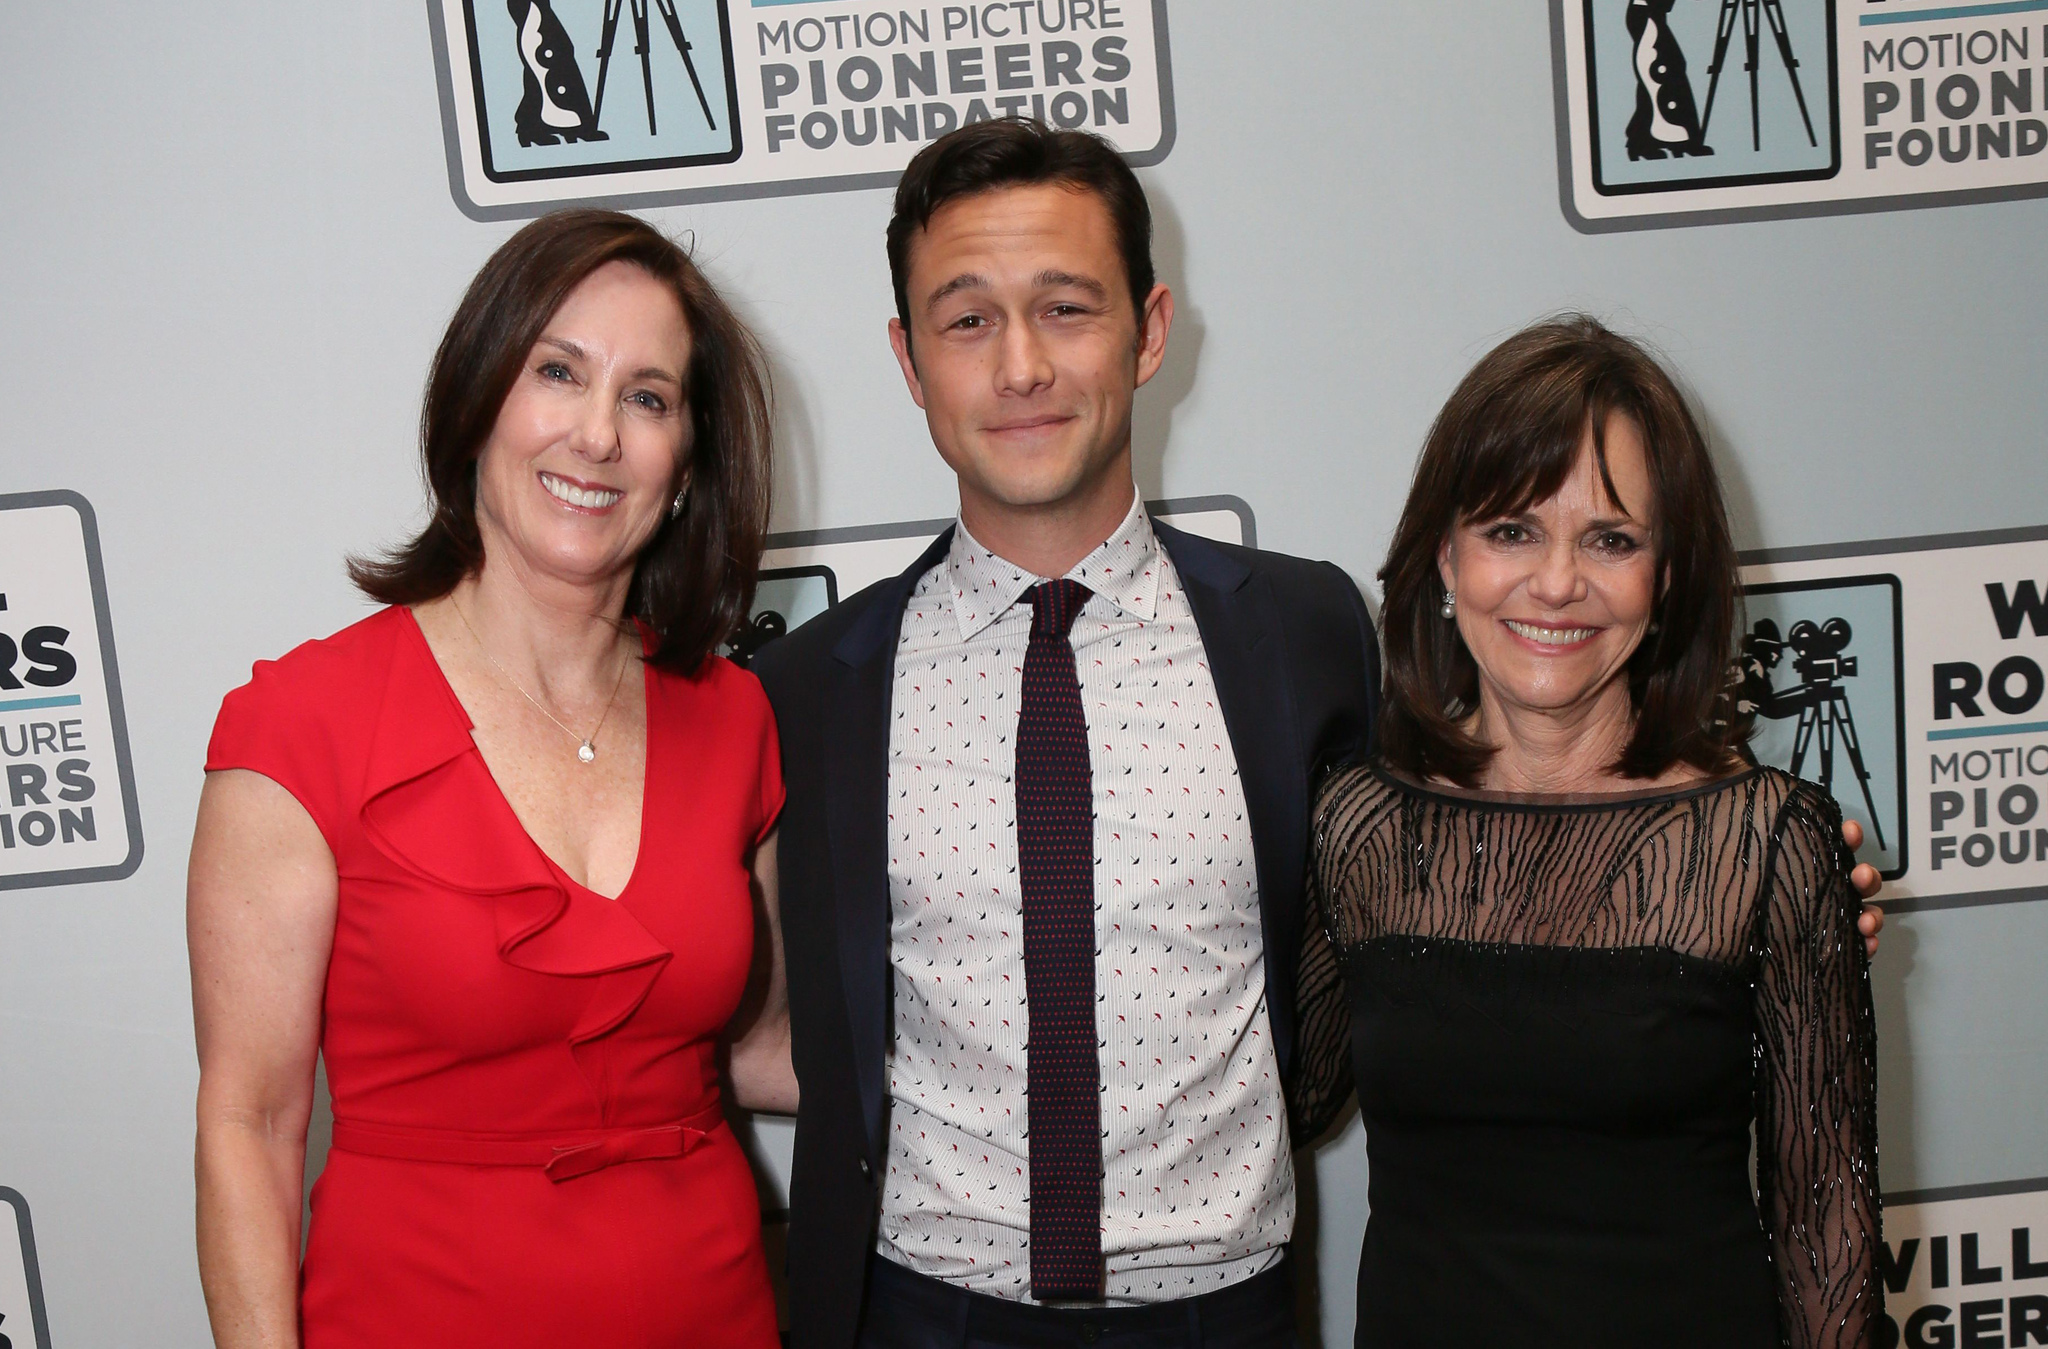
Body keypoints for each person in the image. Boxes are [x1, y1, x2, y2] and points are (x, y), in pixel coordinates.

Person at [750, 123, 1884, 1349]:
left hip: (1226, 1318)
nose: (1020, 364)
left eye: (1066, 306)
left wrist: (1767, 896)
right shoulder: (810, 686)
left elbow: (1506, 832)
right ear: (907, 360)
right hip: (919, 1314)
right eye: (966, 319)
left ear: (1148, 330)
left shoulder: (1298, 632)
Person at [188, 209, 793, 1349]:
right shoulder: (300, 726)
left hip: (717, 1309)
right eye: (556, 371)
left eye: (649, 396)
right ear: (477, 402)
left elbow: (763, 1048)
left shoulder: (733, 715)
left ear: (688, 459)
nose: (598, 434)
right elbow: (250, 1121)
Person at [1295, 316, 1884, 1348]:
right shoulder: (1360, 824)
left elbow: (1822, 1227)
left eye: (1609, 538)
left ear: (1665, 578)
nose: (1555, 582)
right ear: (1444, 554)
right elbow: (1282, 1104)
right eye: (1510, 530)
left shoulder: (1764, 843)